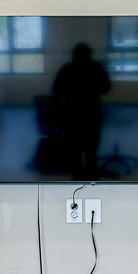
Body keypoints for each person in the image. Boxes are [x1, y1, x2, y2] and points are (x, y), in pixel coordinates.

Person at [51, 42, 111, 180]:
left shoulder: (67, 69)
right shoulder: (96, 68)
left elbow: (56, 91)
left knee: (75, 150)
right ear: (89, 54)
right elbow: (106, 88)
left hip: (72, 114)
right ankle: (92, 177)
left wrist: (63, 108)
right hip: (92, 113)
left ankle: (77, 178)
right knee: (91, 150)